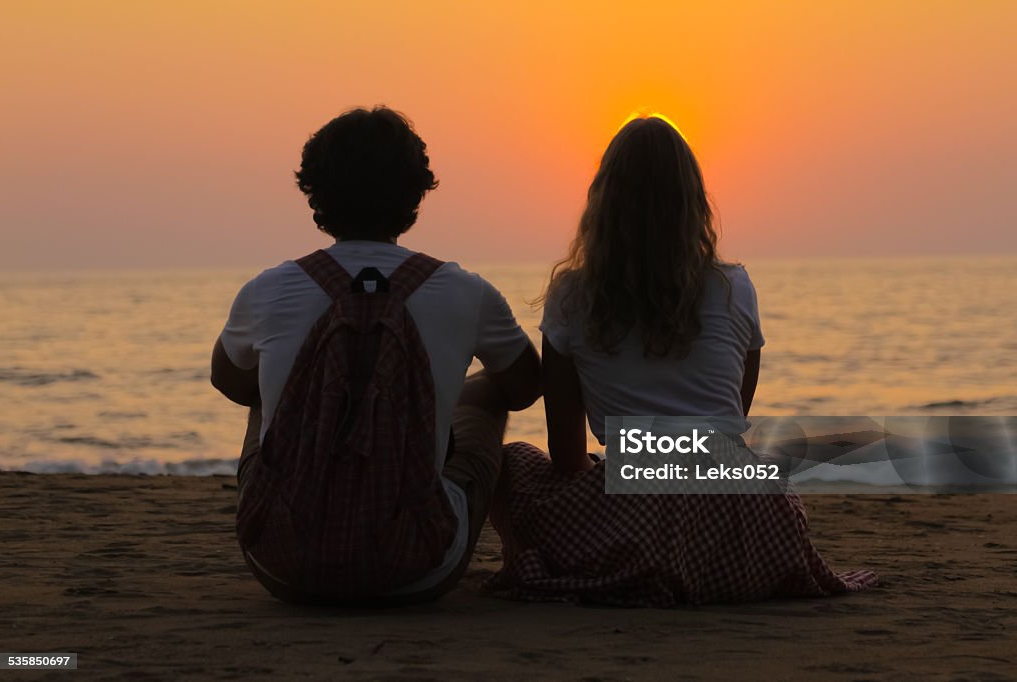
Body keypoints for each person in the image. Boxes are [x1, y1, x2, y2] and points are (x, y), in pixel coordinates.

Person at [486, 115, 876, 606]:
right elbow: (730, 420)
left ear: (603, 203)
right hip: (758, 521)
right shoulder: (735, 287)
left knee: (513, 462)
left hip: (649, 523)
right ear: (693, 202)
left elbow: (566, 458)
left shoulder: (573, 296)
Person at [211, 106, 540, 604]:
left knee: (263, 393)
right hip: (418, 572)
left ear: (315, 193)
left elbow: (230, 383)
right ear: (414, 194)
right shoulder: (466, 291)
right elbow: (523, 388)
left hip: (283, 567)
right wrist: (452, 395)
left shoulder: (268, 289)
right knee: (489, 399)